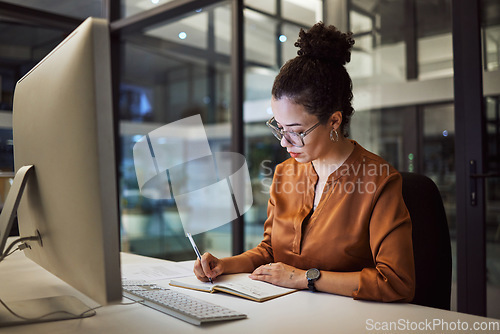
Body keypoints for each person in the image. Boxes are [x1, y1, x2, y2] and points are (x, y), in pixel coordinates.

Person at [194, 22, 415, 302]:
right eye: (280, 128)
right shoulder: (285, 173)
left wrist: (304, 277)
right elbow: (269, 252)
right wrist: (225, 265)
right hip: (286, 313)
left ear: (334, 121)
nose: (285, 143)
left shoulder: (378, 180)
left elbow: (396, 282)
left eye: (296, 132)